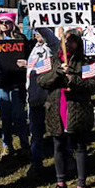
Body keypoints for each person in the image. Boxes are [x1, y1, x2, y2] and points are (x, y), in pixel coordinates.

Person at [38, 31, 95, 188]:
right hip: (57, 109)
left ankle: (81, 186)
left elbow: (93, 86)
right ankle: (60, 183)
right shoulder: (49, 61)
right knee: (58, 145)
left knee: (79, 147)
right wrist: (57, 72)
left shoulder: (86, 62)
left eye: (72, 41)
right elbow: (41, 81)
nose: (69, 44)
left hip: (77, 110)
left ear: (78, 44)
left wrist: (73, 79)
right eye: (66, 40)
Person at [18, 28, 59, 177]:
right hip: (34, 97)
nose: (38, 35)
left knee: (56, 131)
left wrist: (39, 22)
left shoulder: (52, 46)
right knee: (35, 134)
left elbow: (46, 66)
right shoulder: (35, 48)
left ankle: (64, 161)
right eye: (36, 32)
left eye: (40, 32)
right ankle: (36, 164)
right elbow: (35, 68)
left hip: (47, 98)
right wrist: (27, 64)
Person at [0, 12, 31, 161]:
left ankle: (24, 145)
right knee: (5, 116)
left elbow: (30, 58)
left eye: (7, 22)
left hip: (17, 83)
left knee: (19, 115)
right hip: (1, 83)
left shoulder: (21, 40)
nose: (4, 25)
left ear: (13, 23)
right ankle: (6, 145)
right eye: (1, 22)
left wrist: (26, 63)